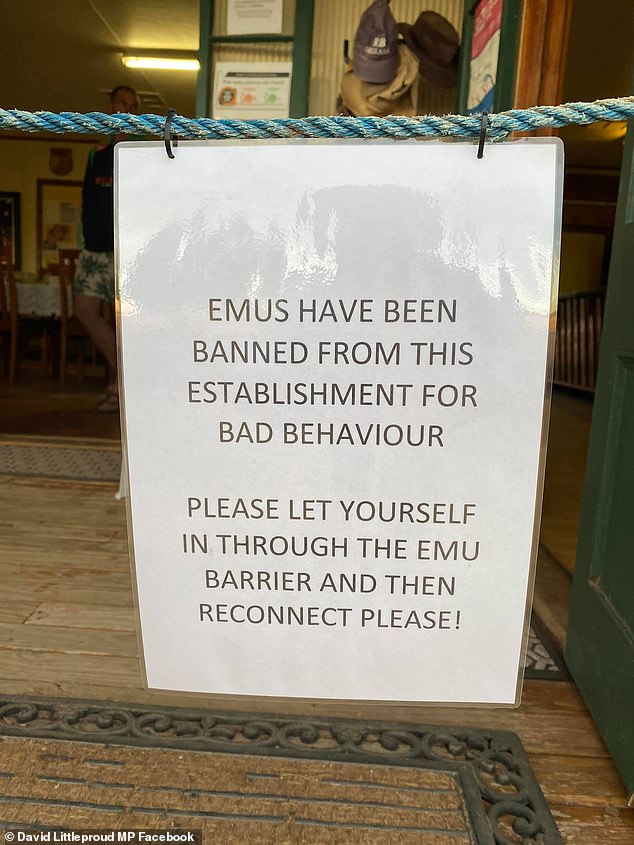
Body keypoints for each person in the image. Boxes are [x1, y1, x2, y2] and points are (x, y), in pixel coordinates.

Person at [73, 85, 138, 412]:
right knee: (84, 309)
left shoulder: (139, 152)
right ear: (110, 106)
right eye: (122, 103)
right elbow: (87, 200)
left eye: (132, 106)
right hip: (94, 248)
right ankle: (124, 376)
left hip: (124, 250)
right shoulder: (95, 154)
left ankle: (118, 387)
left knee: (119, 320)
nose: (126, 109)